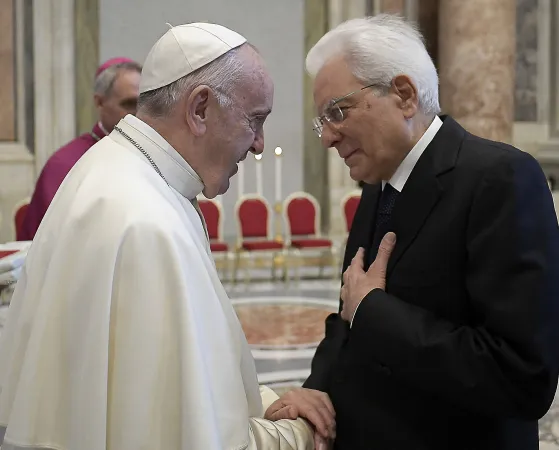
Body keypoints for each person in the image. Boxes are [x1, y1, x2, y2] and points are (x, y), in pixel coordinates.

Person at [0, 23, 335, 450]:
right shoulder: (148, 225)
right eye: (255, 120)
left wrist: (268, 402)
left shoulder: (111, 167)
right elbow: (197, 439)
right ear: (199, 109)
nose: (259, 145)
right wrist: (304, 432)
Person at [265, 14, 559, 450]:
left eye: (337, 112)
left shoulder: (500, 179)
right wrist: (316, 392)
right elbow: (347, 317)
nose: (326, 137)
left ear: (403, 95)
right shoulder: (378, 187)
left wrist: (375, 312)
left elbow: (521, 375)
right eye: (321, 121)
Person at [19, 57, 142, 241]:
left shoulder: (157, 155)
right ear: (99, 102)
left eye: (144, 104)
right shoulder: (65, 164)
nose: (139, 113)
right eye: (129, 104)